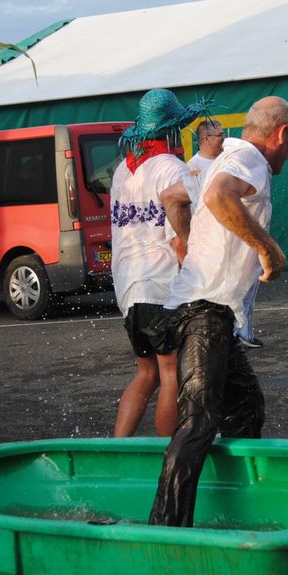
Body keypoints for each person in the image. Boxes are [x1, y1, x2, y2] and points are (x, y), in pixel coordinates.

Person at [149, 96, 288, 527]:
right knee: (198, 424)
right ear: (282, 134)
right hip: (205, 312)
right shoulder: (250, 158)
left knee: (247, 408)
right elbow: (216, 196)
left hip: (209, 310)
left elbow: (174, 197)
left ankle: (235, 510)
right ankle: (165, 532)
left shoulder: (220, 157)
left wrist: (192, 250)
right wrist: (267, 248)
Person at [110, 88, 211, 437]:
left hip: (128, 286)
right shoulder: (173, 169)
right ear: (173, 129)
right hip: (161, 283)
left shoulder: (122, 170)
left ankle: (117, 449)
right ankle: (166, 455)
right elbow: (178, 238)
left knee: (146, 373)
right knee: (170, 374)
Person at [183, 118, 225, 206]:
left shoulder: (227, 158)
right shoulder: (192, 168)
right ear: (207, 139)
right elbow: (195, 202)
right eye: (220, 135)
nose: (224, 138)